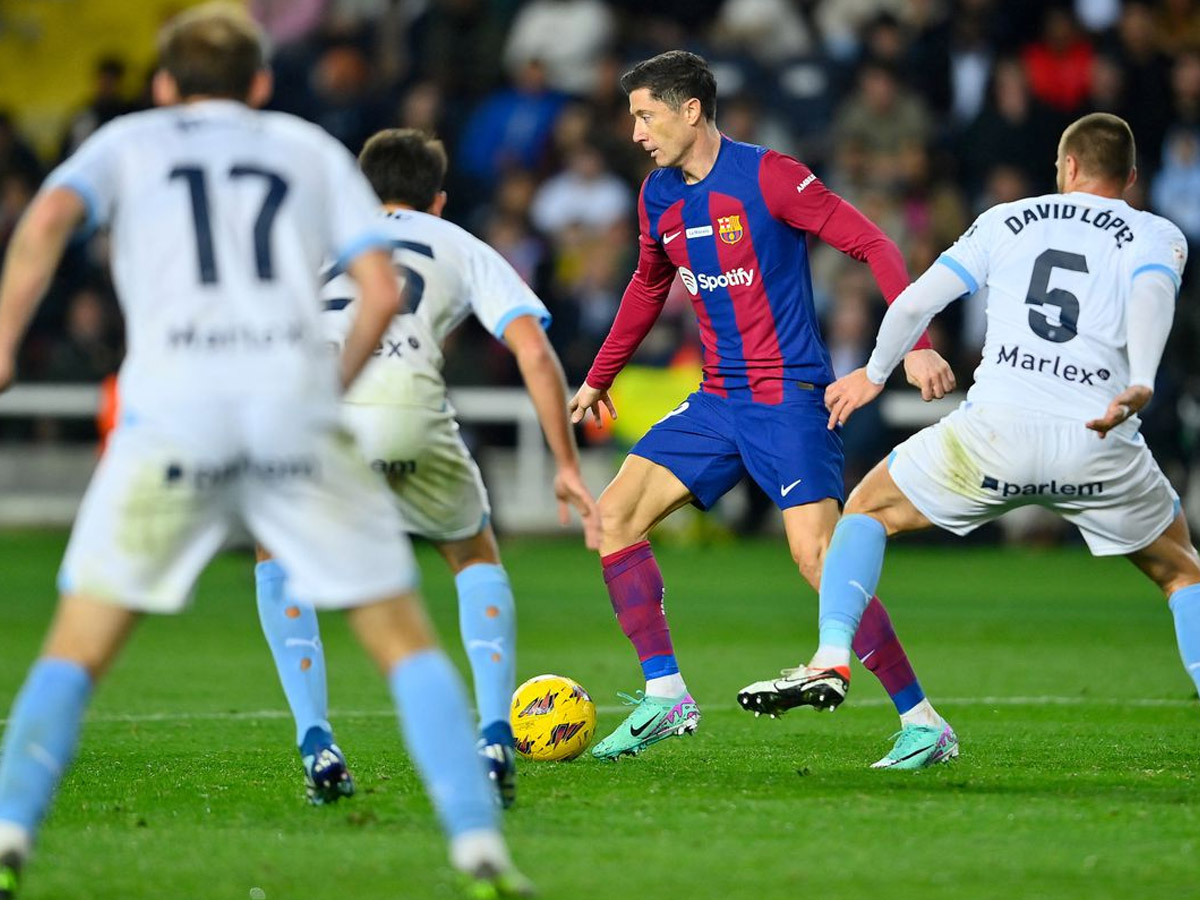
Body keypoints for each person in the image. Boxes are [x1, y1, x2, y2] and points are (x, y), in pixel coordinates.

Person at [0, 6, 531, 898]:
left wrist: (6, 340)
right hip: (288, 406)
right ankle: (479, 848)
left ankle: (11, 832)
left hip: (172, 409)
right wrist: (326, 393)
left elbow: (49, 214)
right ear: (258, 83)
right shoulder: (305, 146)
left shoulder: (127, 141)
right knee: (403, 639)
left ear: (163, 84)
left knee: (78, 643)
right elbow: (377, 290)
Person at [569, 50, 959, 767]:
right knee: (614, 516)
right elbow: (648, 287)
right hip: (717, 400)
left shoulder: (771, 176)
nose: (636, 133)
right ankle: (665, 696)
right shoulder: (658, 195)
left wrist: (915, 344)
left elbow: (874, 243)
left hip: (788, 400)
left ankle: (924, 723)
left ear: (691, 110)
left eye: (646, 116)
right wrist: (599, 377)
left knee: (819, 560)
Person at [803, 112, 1200, 742]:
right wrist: (1144, 379)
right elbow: (1153, 295)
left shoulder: (1008, 219)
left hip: (995, 435)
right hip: (1096, 437)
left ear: (1067, 167)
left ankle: (831, 654)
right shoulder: (1155, 232)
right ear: (1129, 178)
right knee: (1182, 571)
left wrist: (874, 374)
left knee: (866, 510)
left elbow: (915, 302)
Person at [255, 128, 599, 810]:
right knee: (472, 554)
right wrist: (565, 462)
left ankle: (316, 739)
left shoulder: (318, 242)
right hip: (411, 408)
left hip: (326, 412)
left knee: (277, 555)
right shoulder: (461, 244)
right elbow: (534, 352)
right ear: (437, 199)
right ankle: (495, 736)